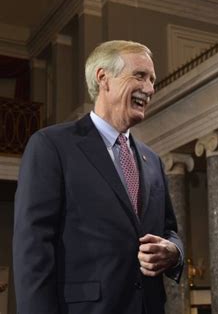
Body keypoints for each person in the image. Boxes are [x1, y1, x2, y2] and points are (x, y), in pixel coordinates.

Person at [13, 40, 184, 314]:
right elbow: (33, 249)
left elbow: (169, 230)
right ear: (103, 78)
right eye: (140, 76)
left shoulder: (152, 160)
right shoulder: (51, 146)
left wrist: (174, 253)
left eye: (152, 80)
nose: (150, 89)